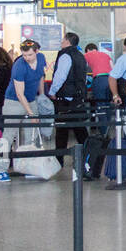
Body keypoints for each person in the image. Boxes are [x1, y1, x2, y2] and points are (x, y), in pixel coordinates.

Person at [0, 39, 47, 183]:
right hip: (14, 102)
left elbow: (40, 77)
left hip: (31, 100)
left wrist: (41, 96)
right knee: (8, 135)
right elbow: (20, 93)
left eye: (30, 55)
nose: (27, 58)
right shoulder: (19, 66)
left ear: (37, 52)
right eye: (24, 55)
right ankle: (1, 170)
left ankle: (29, 167)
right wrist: (30, 113)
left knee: (31, 135)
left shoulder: (41, 58)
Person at [50, 32, 89, 173]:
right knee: (80, 130)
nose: (61, 42)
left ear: (67, 41)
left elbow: (61, 76)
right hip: (78, 98)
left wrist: (52, 91)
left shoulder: (65, 55)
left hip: (65, 99)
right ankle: (88, 157)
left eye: (62, 39)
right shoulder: (80, 56)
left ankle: (58, 160)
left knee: (61, 131)